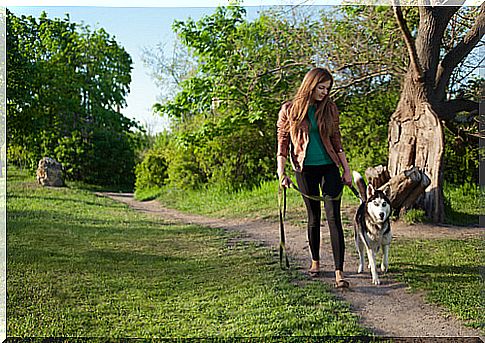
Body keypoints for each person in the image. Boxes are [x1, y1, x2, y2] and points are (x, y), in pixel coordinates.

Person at [276, 67, 352, 288]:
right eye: (321, 87)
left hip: (329, 167)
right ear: (310, 85)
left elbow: (337, 142)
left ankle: (339, 273)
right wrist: (282, 173)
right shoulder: (289, 110)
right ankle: (315, 262)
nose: (325, 92)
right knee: (313, 217)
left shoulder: (329, 109)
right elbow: (282, 145)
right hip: (304, 169)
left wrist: (346, 170)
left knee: (334, 218)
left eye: (328, 88)